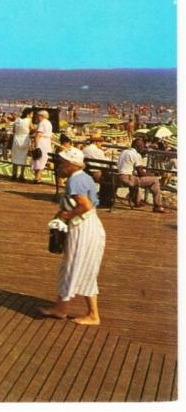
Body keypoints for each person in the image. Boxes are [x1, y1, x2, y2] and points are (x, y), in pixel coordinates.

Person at [38, 147, 106, 326]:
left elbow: (85, 206)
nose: (60, 165)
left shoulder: (75, 181)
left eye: (63, 162)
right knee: (82, 267)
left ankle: (79, 312)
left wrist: (64, 216)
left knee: (73, 265)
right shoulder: (84, 177)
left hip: (82, 226)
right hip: (90, 226)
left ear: (72, 165)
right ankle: (67, 309)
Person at [116, 138, 166, 213]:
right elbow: (141, 173)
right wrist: (153, 175)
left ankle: (137, 201)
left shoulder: (124, 151)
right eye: (142, 146)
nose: (143, 148)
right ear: (137, 146)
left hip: (119, 177)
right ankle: (157, 205)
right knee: (155, 180)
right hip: (127, 178)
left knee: (137, 180)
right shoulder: (135, 154)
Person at [11, 107, 34, 181]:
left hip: (16, 138)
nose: (32, 115)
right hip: (25, 139)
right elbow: (32, 129)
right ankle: (21, 175)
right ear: (28, 114)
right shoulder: (28, 120)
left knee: (15, 156)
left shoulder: (17, 119)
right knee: (23, 157)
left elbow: (13, 130)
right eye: (31, 114)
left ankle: (14, 174)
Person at [32, 110, 53, 184]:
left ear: (41, 116)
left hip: (41, 142)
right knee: (43, 159)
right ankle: (39, 177)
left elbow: (38, 135)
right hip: (47, 142)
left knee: (38, 158)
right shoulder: (49, 123)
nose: (37, 117)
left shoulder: (42, 123)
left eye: (38, 116)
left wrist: (35, 144)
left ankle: (37, 178)